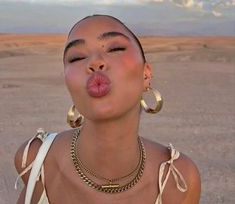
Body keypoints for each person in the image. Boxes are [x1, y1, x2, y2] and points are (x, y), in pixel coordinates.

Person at [14, 15, 201, 203]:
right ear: (68, 82)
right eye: (77, 57)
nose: (95, 62)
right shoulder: (35, 161)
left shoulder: (179, 181)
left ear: (145, 74)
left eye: (115, 48)